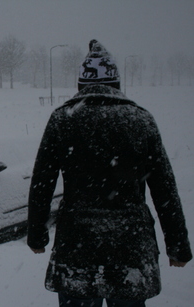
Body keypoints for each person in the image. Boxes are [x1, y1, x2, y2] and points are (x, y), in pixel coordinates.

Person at [27, 39, 192, 307]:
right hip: (130, 248)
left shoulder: (63, 119)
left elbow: (42, 184)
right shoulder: (141, 120)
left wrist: (36, 235)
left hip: (76, 249)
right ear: (116, 84)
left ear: (81, 85)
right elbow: (165, 190)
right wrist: (178, 246)